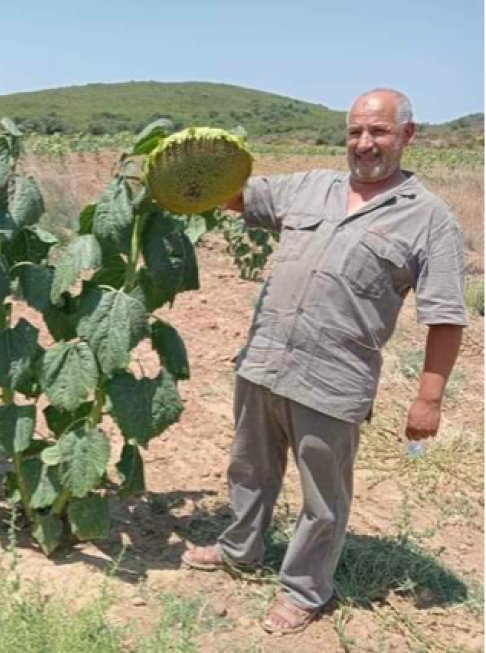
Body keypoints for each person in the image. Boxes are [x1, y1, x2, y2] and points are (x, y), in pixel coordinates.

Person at [181, 89, 468, 634]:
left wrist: (428, 399)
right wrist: (189, 165)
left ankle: (305, 590)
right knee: (249, 468)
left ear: (407, 135)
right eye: (356, 132)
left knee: (323, 497)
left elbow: (446, 317)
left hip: (333, 379)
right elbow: (238, 197)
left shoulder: (430, 219)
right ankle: (240, 549)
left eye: (379, 132)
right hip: (265, 360)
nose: (365, 143)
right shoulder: (312, 186)